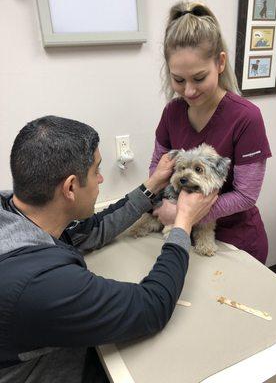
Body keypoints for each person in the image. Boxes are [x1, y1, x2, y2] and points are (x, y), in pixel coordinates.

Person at [0, 115, 217, 382]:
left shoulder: (13, 208)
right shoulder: (42, 285)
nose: (102, 179)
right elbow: (152, 307)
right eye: (96, 171)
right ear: (70, 187)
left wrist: (152, 185)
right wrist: (183, 223)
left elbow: (91, 231)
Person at [150, 1, 272, 264]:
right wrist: (164, 207)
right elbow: (157, 169)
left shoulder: (246, 117)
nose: (189, 91)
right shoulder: (172, 112)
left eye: (199, 78)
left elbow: (246, 195)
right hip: (185, 235)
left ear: (220, 62)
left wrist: (184, 215)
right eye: (179, 80)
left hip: (237, 244)